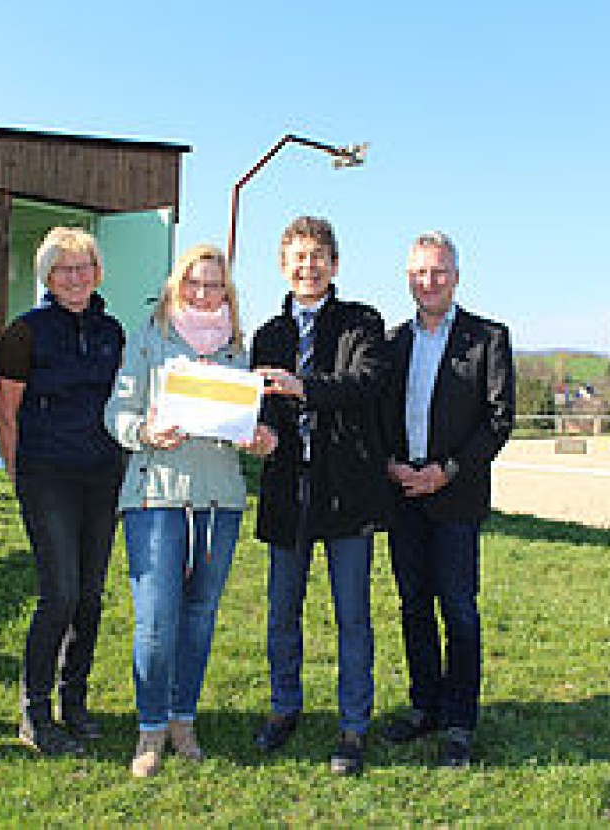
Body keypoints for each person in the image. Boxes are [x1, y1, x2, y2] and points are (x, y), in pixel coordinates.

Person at [104, 243, 275, 778]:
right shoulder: (149, 338)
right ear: (177, 285)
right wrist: (144, 431)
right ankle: (150, 728)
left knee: (199, 617)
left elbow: (248, 422)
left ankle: (183, 719)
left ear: (227, 292)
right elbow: (117, 411)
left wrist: (259, 439)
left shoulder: (239, 349)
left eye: (214, 284)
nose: (203, 293)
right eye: (193, 282)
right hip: (156, 496)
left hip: (219, 500)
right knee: (156, 620)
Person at [251, 216, 389, 776]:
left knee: (352, 616)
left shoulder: (362, 322)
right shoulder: (267, 334)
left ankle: (353, 724)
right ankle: (284, 707)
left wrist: (303, 387)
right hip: (288, 488)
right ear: (283, 265)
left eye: (317, 256)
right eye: (298, 257)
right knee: (282, 611)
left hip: (346, 490)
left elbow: (366, 384)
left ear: (334, 264)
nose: (308, 267)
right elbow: (261, 406)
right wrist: (260, 432)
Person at [380, 231, 514, 767]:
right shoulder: (392, 342)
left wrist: (447, 472)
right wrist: (391, 465)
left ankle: (459, 722)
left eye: (438, 272)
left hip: (456, 497)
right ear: (407, 278)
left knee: (458, 609)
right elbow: (378, 415)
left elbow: (498, 421)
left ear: (456, 277)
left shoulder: (488, 338)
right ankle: (425, 706)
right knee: (413, 606)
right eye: (419, 272)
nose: (428, 281)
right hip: (403, 495)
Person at [0, 227, 126, 756]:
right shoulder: (25, 332)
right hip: (47, 475)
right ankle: (35, 711)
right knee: (60, 594)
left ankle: (75, 702)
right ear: (47, 277)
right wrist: (19, 476)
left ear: (97, 272)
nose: (74, 277)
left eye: (83, 267)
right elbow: (7, 412)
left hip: (103, 475)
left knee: (90, 597)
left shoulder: (112, 332)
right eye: (63, 269)